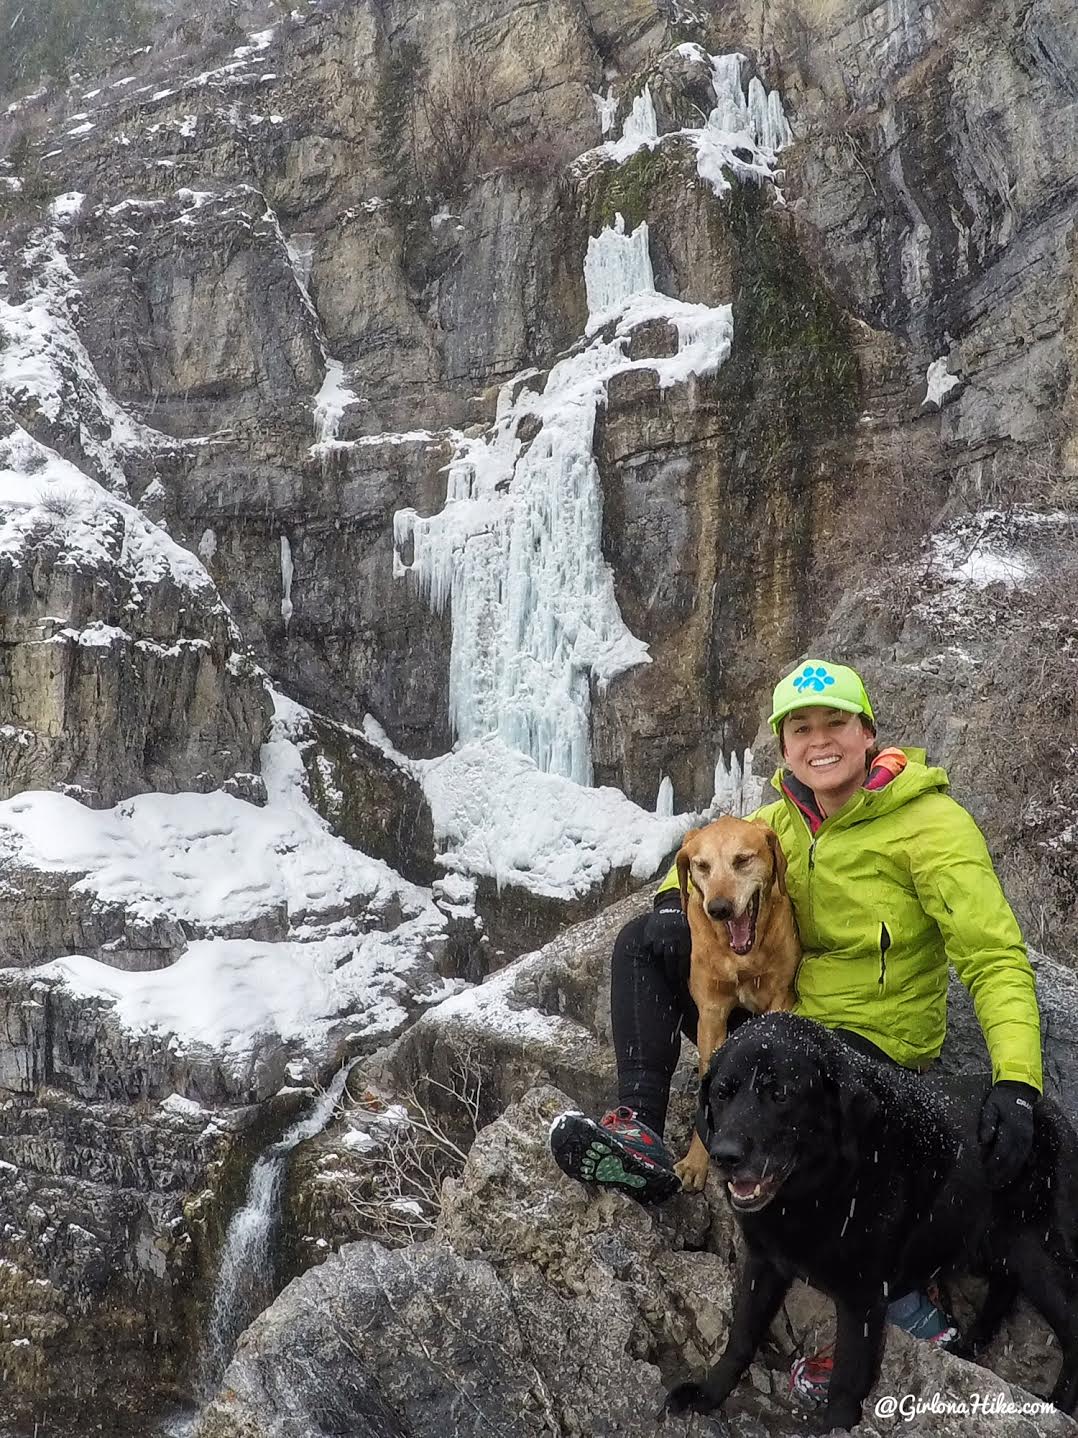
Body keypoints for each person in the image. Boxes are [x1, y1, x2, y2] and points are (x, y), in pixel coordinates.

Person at [550, 659, 1043, 1402]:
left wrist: (1017, 1080)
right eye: (800, 730)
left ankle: (894, 1300)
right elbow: (714, 857)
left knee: (820, 1152)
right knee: (642, 945)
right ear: (783, 747)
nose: (819, 743)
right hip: (786, 1033)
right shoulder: (781, 818)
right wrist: (664, 900)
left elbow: (993, 955)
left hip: (876, 1047)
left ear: (867, 732)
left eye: (835, 724)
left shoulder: (932, 826)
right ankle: (640, 1134)